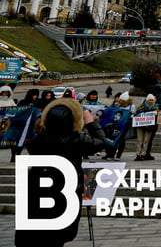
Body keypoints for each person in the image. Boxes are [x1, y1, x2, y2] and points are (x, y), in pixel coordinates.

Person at [14, 97, 106, 247]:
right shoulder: (76, 141)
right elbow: (103, 142)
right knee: (57, 239)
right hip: (63, 200)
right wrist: (90, 122)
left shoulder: (37, 142)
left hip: (37, 199)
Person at [134, 93, 159, 161]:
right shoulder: (141, 107)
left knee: (146, 141)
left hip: (149, 126)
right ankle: (138, 154)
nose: (150, 101)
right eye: (149, 100)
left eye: (152, 100)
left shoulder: (156, 107)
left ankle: (143, 154)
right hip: (140, 125)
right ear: (146, 100)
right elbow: (136, 113)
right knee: (140, 140)